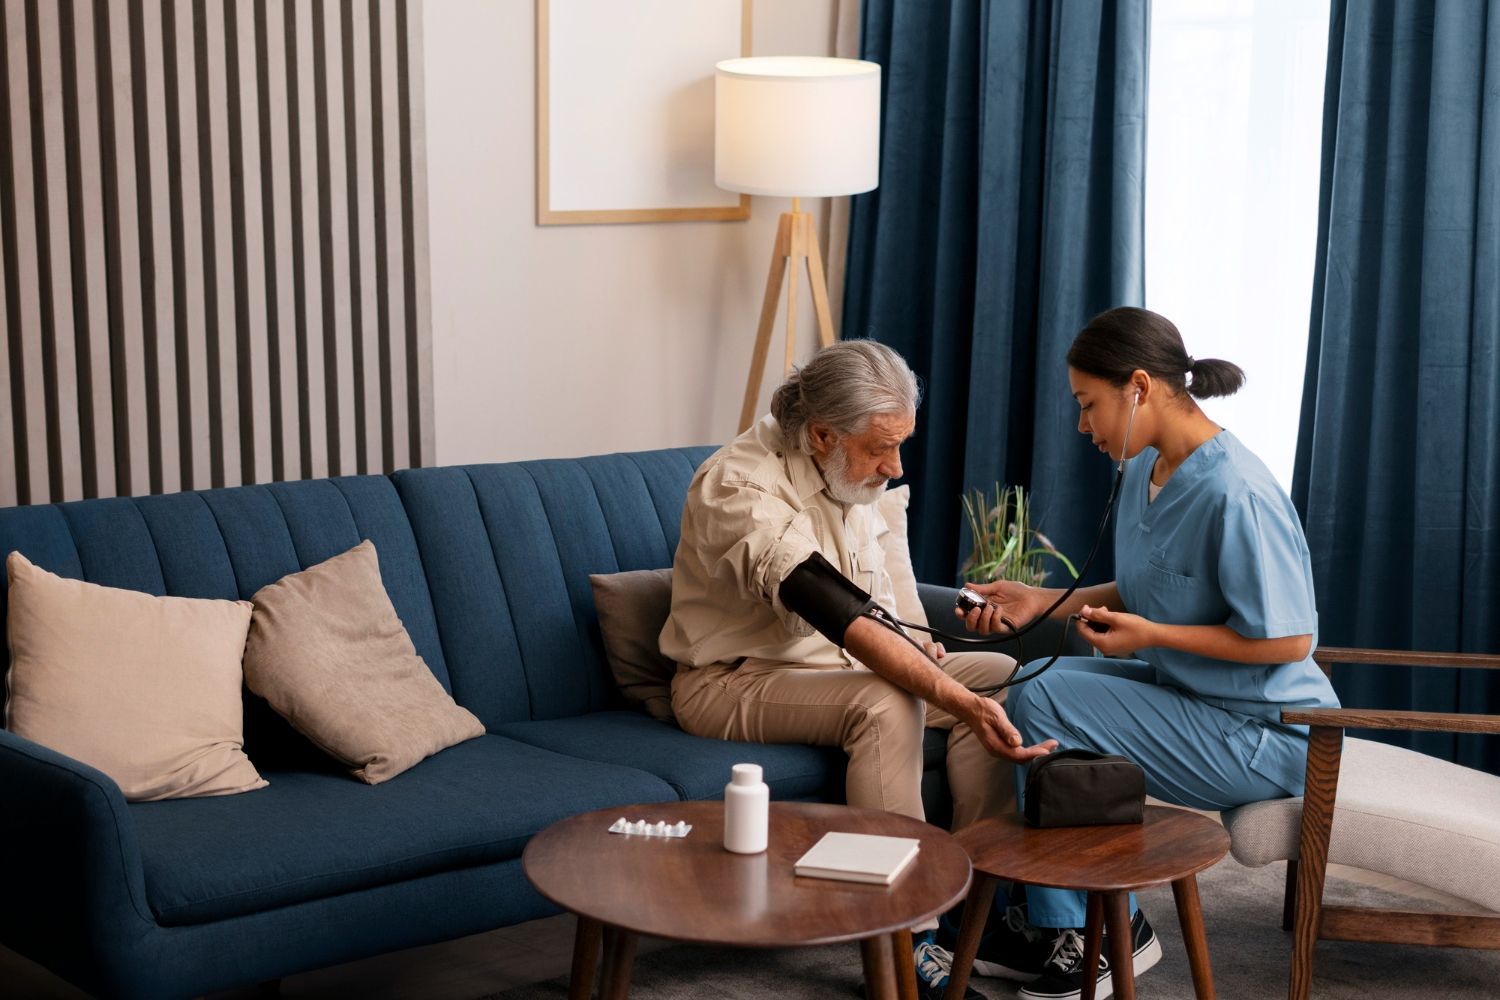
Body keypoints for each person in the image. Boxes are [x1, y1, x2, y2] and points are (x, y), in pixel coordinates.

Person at [952, 307, 1340, 1000]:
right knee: (1036, 682)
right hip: (1197, 700)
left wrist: (1153, 637)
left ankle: (1095, 932)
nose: (1082, 426)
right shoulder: (1149, 468)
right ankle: (1076, 921)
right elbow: (1142, 585)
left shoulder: (1237, 493)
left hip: (1270, 735)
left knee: (1045, 696)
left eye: (1087, 404)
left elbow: (1291, 639)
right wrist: (1046, 603)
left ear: (1137, 387)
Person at [661, 339, 1056, 1000]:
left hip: (832, 667)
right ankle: (905, 939)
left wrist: (922, 645)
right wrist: (939, 689)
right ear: (822, 434)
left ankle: (977, 912)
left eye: (900, 444)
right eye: (883, 448)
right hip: (731, 681)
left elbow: (882, 575)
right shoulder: (740, 484)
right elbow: (836, 610)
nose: (895, 465)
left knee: (993, 671)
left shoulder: (852, 468)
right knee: (888, 702)